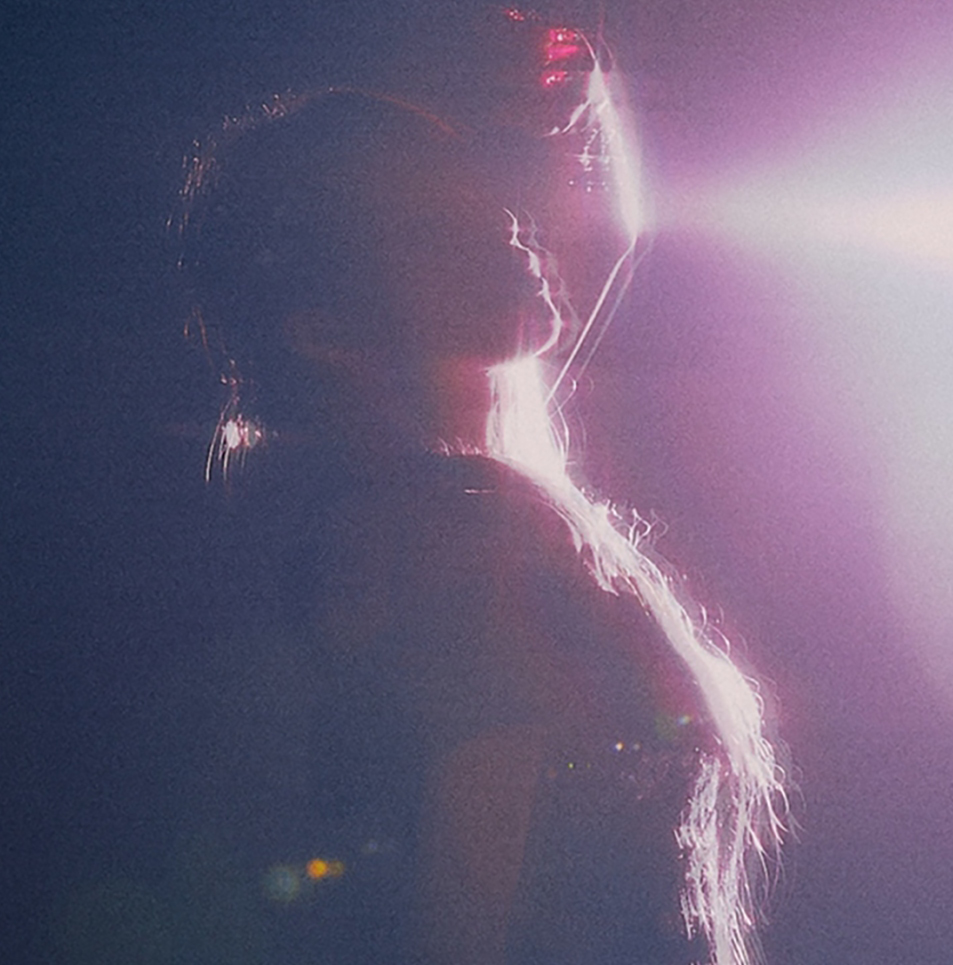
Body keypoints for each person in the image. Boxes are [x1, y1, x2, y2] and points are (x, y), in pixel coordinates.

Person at [173, 88, 784, 965]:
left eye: (475, 190)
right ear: (326, 330)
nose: (498, 224)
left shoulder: (393, 524)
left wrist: (604, 75)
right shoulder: (450, 535)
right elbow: (464, 921)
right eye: (427, 226)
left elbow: (635, 234)